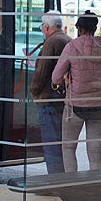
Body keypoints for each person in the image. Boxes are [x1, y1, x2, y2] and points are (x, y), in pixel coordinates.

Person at [51, 11, 101, 172]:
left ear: (78, 28)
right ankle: (96, 186)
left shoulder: (71, 47)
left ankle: (72, 186)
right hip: (100, 107)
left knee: (69, 148)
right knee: (95, 149)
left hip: (75, 106)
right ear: (95, 27)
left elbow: (55, 78)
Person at [29, 10, 72, 174]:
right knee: (61, 143)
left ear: (46, 27)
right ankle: (62, 179)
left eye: (42, 26)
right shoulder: (68, 40)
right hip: (63, 100)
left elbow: (42, 72)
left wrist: (33, 91)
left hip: (49, 100)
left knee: (51, 144)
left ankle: (55, 182)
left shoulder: (51, 42)